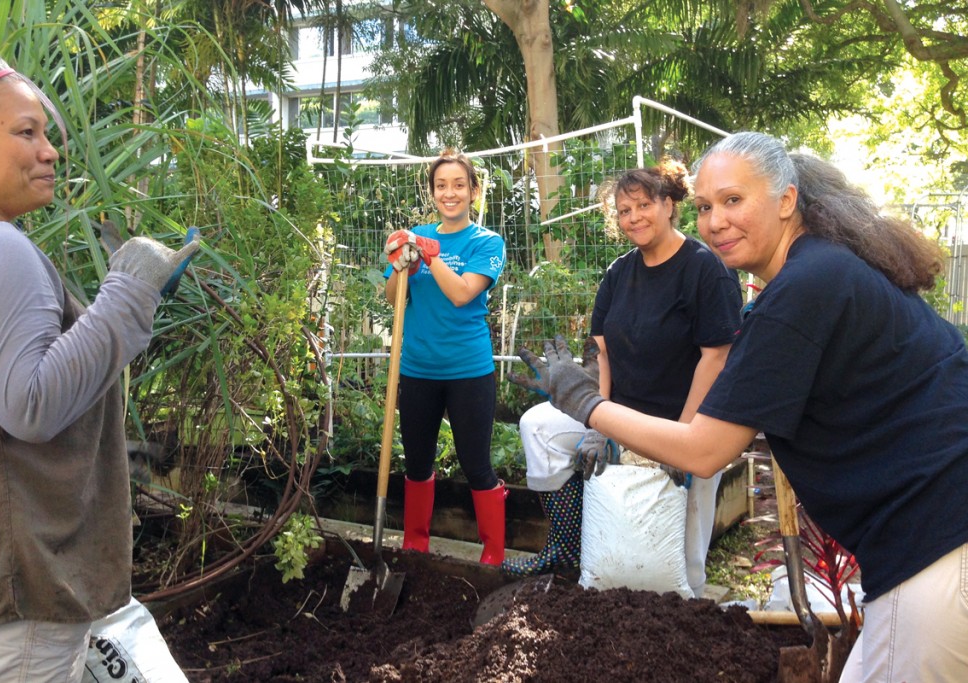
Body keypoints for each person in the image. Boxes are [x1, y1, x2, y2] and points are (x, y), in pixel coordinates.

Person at [512, 131, 968, 682]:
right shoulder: (827, 268)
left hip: (936, 538)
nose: (715, 221)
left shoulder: (803, 288)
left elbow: (705, 451)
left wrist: (583, 403)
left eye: (733, 200)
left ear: (786, 200)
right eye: (706, 206)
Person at [0, 51, 198, 681]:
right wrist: (129, 291)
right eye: (25, 132)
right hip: (15, 602)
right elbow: (31, 404)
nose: (50, 151)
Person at [502, 160, 743, 599]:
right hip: (620, 410)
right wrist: (597, 422)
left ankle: (687, 609)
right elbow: (602, 352)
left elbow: (717, 356)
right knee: (538, 426)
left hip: (685, 420)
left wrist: (684, 437)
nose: (633, 218)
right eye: (623, 210)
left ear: (669, 205)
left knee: (684, 567)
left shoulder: (705, 270)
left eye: (643, 205)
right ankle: (564, 547)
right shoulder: (618, 273)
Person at [382, 149, 507, 564]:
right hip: (418, 369)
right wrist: (403, 266)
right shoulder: (416, 235)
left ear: (473, 191)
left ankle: (492, 553)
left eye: (458, 185)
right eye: (441, 186)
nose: (449, 193)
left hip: (469, 370)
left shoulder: (486, 242)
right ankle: (415, 543)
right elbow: (393, 299)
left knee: (476, 465)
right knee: (416, 463)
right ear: (432, 191)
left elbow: (460, 294)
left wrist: (429, 256)